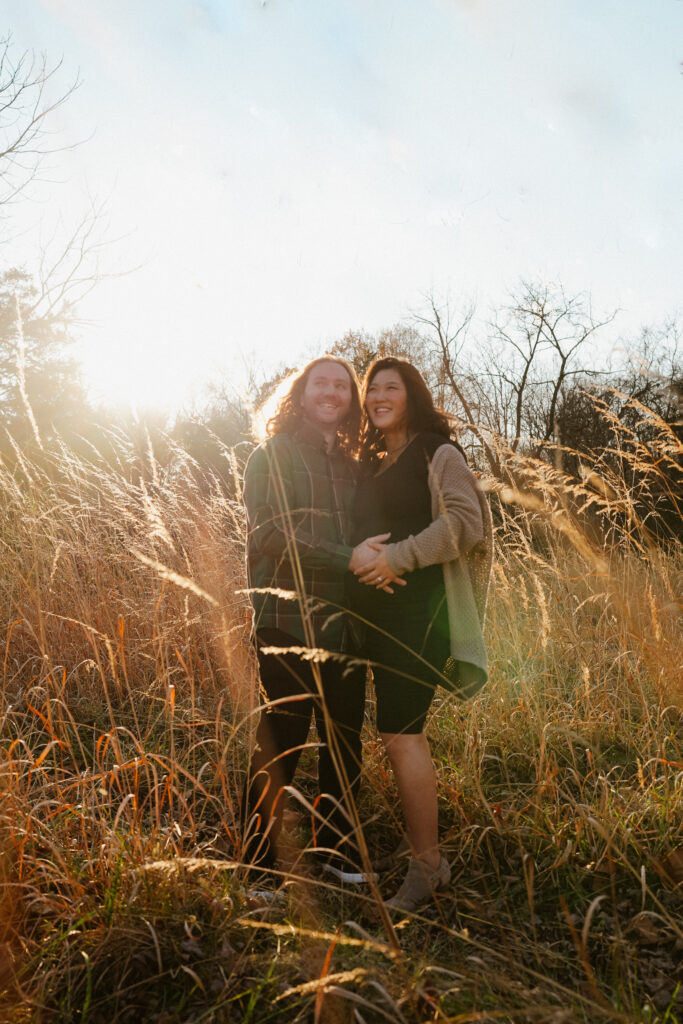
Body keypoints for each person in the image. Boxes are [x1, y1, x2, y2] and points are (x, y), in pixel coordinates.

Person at [350, 357, 493, 912]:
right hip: (377, 620)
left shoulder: (438, 452)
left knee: (402, 736)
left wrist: (400, 560)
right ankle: (418, 848)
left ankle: (429, 866)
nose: (379, 396)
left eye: (392, 388)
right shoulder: (375, 460)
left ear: (412, 396)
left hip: (421, 617)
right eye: (372, 390)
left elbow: (465, 523)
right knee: (390, 735)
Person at [241, 356, 391, 883]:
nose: (330, 392)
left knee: (343, 742)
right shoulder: (273, 455)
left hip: (345, 623)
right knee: (283, 742)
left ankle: (337, 857)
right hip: (285, 618)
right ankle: (260, 869)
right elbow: (268, 535)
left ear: (350, 400)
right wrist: (345, 556)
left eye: (340, 387)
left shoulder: (354, 466)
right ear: (300, 395)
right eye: (319, 384)